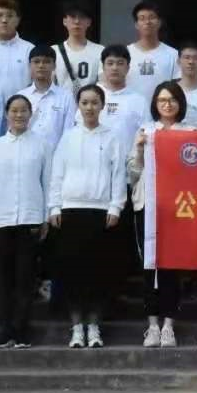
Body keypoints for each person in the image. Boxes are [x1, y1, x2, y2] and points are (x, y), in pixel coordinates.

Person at [49, 84, 127, 349]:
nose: (90, 107)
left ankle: (93, 326)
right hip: (70, 211)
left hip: (100, 212)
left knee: (97, 272)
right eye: (85, 103)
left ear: (102, 106)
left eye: (94, 102)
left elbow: (118, 174)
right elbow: (57, 173)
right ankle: (76, 327)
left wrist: (115, 207)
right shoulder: (68, 137)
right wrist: (54, 207)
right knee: (73, 272)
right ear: (78, 106)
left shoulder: (112, 137)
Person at [0, 94, 54, 349]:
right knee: (4, 279)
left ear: (30, 114)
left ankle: (22, 329)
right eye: (14, 110)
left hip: (30, 217)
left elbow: (48, 182)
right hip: (1, 218)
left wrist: (46, 216)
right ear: (6, 114)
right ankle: (4, 330)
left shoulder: (42, 145)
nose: (19, 115)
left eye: (24, 110)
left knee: (25, 279)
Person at [127, 81, 193, 348]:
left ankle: (168, 326)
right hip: (148, 205)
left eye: (172, 99)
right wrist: (140, 149)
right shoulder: (146, 130)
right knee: (149, 265)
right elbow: (133, 173)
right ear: (155, 103)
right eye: (162, 100)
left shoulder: (190, 132)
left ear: (180, 103)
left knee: (171, 268)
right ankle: (152, 325)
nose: (167, 104)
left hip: (177, 208)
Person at [17, 44, 76, 149]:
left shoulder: (66, 97)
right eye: (36, 61)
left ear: (54, 66)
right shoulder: (20, 96)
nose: (41, 65)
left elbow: (69, 132)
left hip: (56, 155)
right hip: (25, 154)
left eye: (46, 62)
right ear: (29, 65)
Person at [0, 0, 35, 100]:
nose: (4, 20)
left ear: (18, 20)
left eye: (10, 16)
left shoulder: (29, 49)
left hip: (21, 108)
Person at [126, 1, 179, 100]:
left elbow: (177, 87)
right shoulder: (126, 53)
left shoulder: (173, 54)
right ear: (136, 24)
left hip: (162, 108)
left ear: (159, 22)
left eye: (152, 17)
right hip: (132, 108)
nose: (147, 22)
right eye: (142, 18)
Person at [54, 0, 104, 95]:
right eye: (73, 17)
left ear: (89, 22)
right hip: (62, 103)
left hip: (91, 102)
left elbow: (103, 84)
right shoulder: (54, 51)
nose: (77, 21)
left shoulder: (100, 51)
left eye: (82, 17)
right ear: (64, 21)